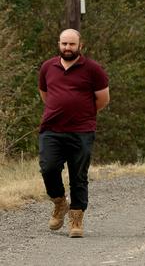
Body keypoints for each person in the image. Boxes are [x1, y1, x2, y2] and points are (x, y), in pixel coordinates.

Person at [38, 28, 110, 238]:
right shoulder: (47, 67)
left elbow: (103, 99)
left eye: (71, 44)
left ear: (81, 46)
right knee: (48, 168)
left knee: (78, 176)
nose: (67, 48)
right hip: (51, 129)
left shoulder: (93, 69)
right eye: (64, 44)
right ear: (58, 44)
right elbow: (45, 94)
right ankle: (60, 203)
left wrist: (82, 113)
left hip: (81, 131)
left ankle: (76, 219)